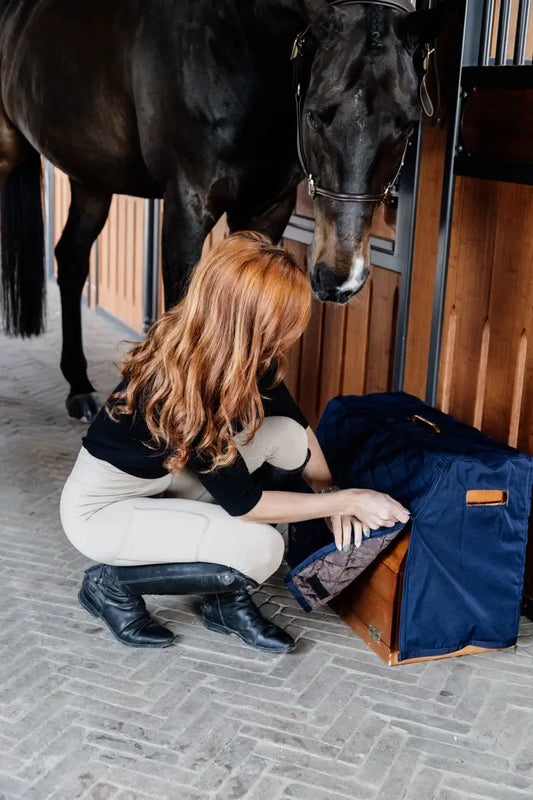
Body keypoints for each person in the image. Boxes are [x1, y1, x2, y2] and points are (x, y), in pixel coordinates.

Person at [60, 231, 409, 654]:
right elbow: (247, 505)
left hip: (159, 483)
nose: (295, 331)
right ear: (249, 318)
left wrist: (329, 490)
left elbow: (297, 427)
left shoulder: (242, 354)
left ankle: (224, 603)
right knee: (263, 548)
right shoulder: (188, 383)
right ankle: (109, 586)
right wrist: (348, 502)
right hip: (102, 511)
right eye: (287, 320)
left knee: (285, 435)